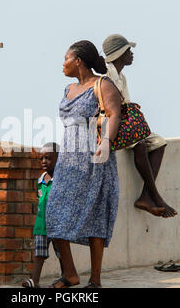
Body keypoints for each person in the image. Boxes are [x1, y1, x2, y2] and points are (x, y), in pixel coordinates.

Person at [46, 40, 122, 288]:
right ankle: (70, 273)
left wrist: (106, 142)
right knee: (54, 213)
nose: (62, 63)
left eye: (65, 58)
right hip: (69, 159)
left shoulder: (103, 84)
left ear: (78, 61)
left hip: (95, 157)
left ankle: (95, 280)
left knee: (96, 215)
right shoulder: (68, 88)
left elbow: (113, 114)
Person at [102, 34, 177, 218]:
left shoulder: (122, 77)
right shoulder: (106, 73)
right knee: (140, 144)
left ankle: (145, 195)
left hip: (123, 123)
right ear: (120, 54)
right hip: (110, 125)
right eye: (128, 51)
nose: (131, 54)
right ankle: (155, 196)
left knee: (159, 143)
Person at [21, 142, 63, 288]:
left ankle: (65, 278)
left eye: (49, 158)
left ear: (59, 158)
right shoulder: (40, 180)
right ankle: (35, 280)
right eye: (42, 158)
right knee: (39, 254)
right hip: (41, 224)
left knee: (63, 254)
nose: (44, 161)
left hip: (58, 225)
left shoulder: (61, 179)